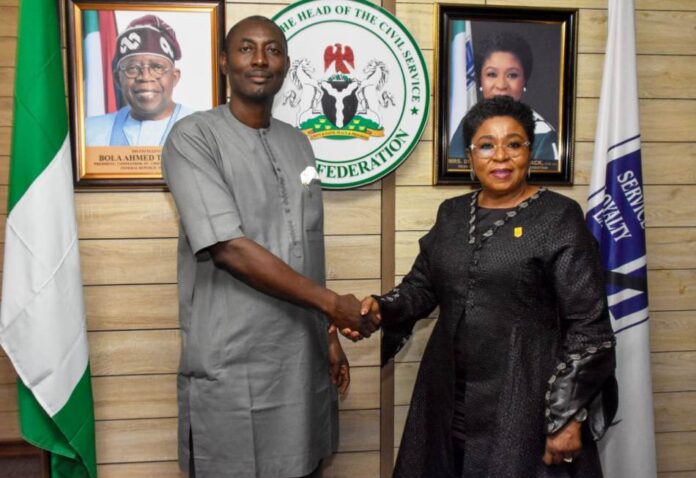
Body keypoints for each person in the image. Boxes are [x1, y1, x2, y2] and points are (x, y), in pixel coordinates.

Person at [161, 16, 379, 478]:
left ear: (285, 64)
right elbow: (228, 247)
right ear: (223, 61)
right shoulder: (192, 137)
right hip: (232, 359)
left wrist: (328, 335)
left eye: (273, 50)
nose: (260, 60)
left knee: (303, 466)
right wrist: (333, 305)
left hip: (301, 359)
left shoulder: (299, 144)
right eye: (246, 48)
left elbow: (306, 247)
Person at [361, 97, 617, 477]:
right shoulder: (451, 213)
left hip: (526, 400)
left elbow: (588, 328)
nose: (500, 156)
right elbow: (422, 285)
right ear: (470, 155)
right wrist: (379, 308)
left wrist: (566, 417)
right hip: (448, 397)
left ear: (530, 151)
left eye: (513, 144)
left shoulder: (559, 218)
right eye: (486, 145)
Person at [449, 32, 559, 162]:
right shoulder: (466, 126)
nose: (501, 85)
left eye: (512, 75)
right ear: (480, 80)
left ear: (524, 80)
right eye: (491, 74)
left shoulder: (543, 135)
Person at [86, 14, 194, 146]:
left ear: (174, 77)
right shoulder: (90, 131)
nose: (145, 77)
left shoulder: (202, 128)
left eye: (157, 67)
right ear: (117, 79)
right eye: (132, 68)